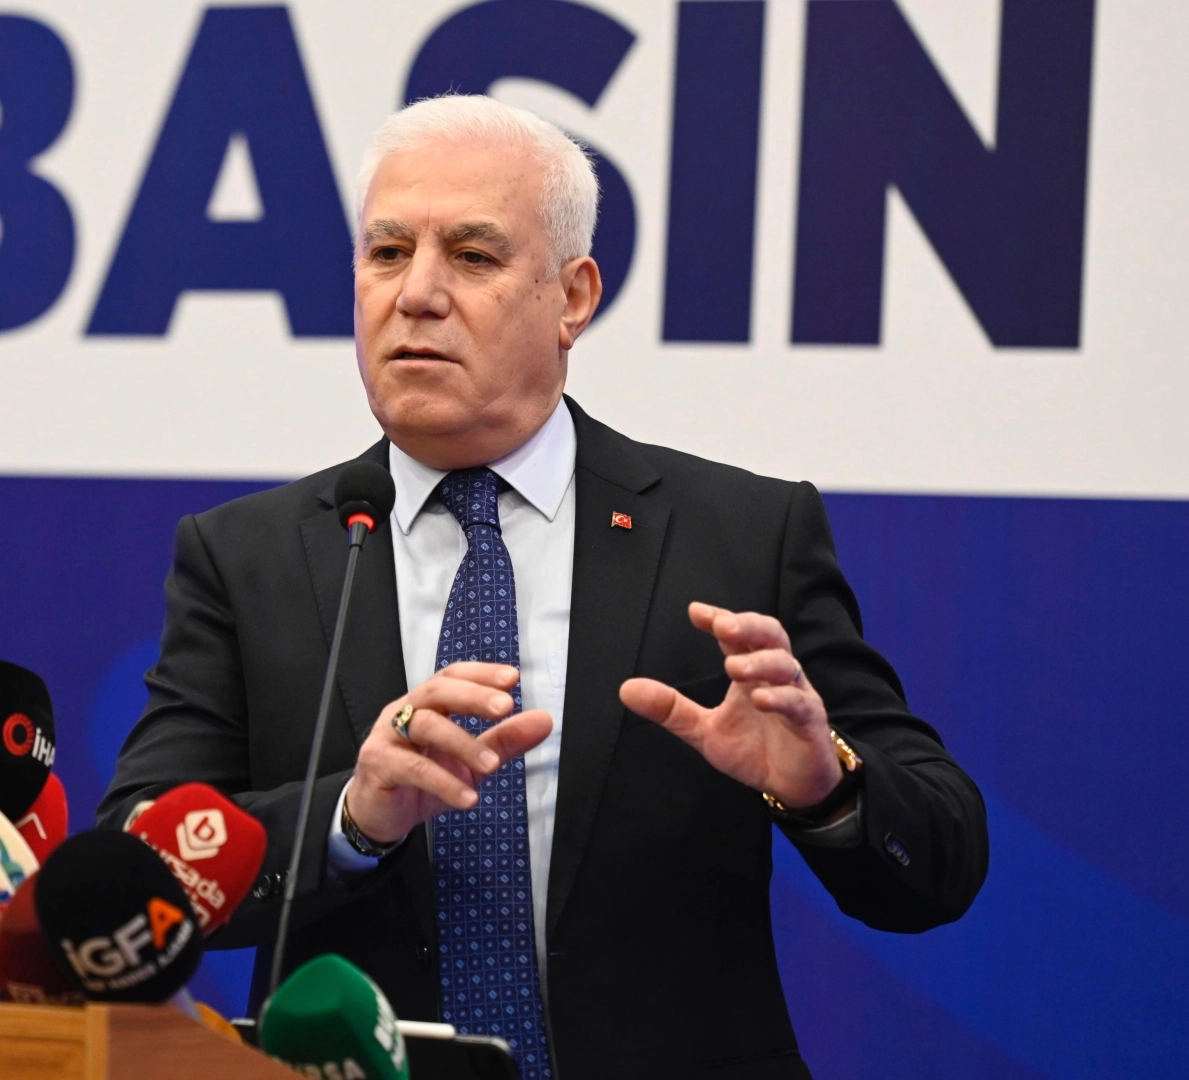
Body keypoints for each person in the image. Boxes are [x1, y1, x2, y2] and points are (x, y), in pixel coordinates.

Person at [100, 95, 988, 1079]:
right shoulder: (248, 556)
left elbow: (940, 864)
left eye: (472, 256)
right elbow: (134, 876)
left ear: (572, 297)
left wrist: (825, 789)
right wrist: (351, 817)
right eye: (387, 252)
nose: (416, 293)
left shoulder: (740, 537)